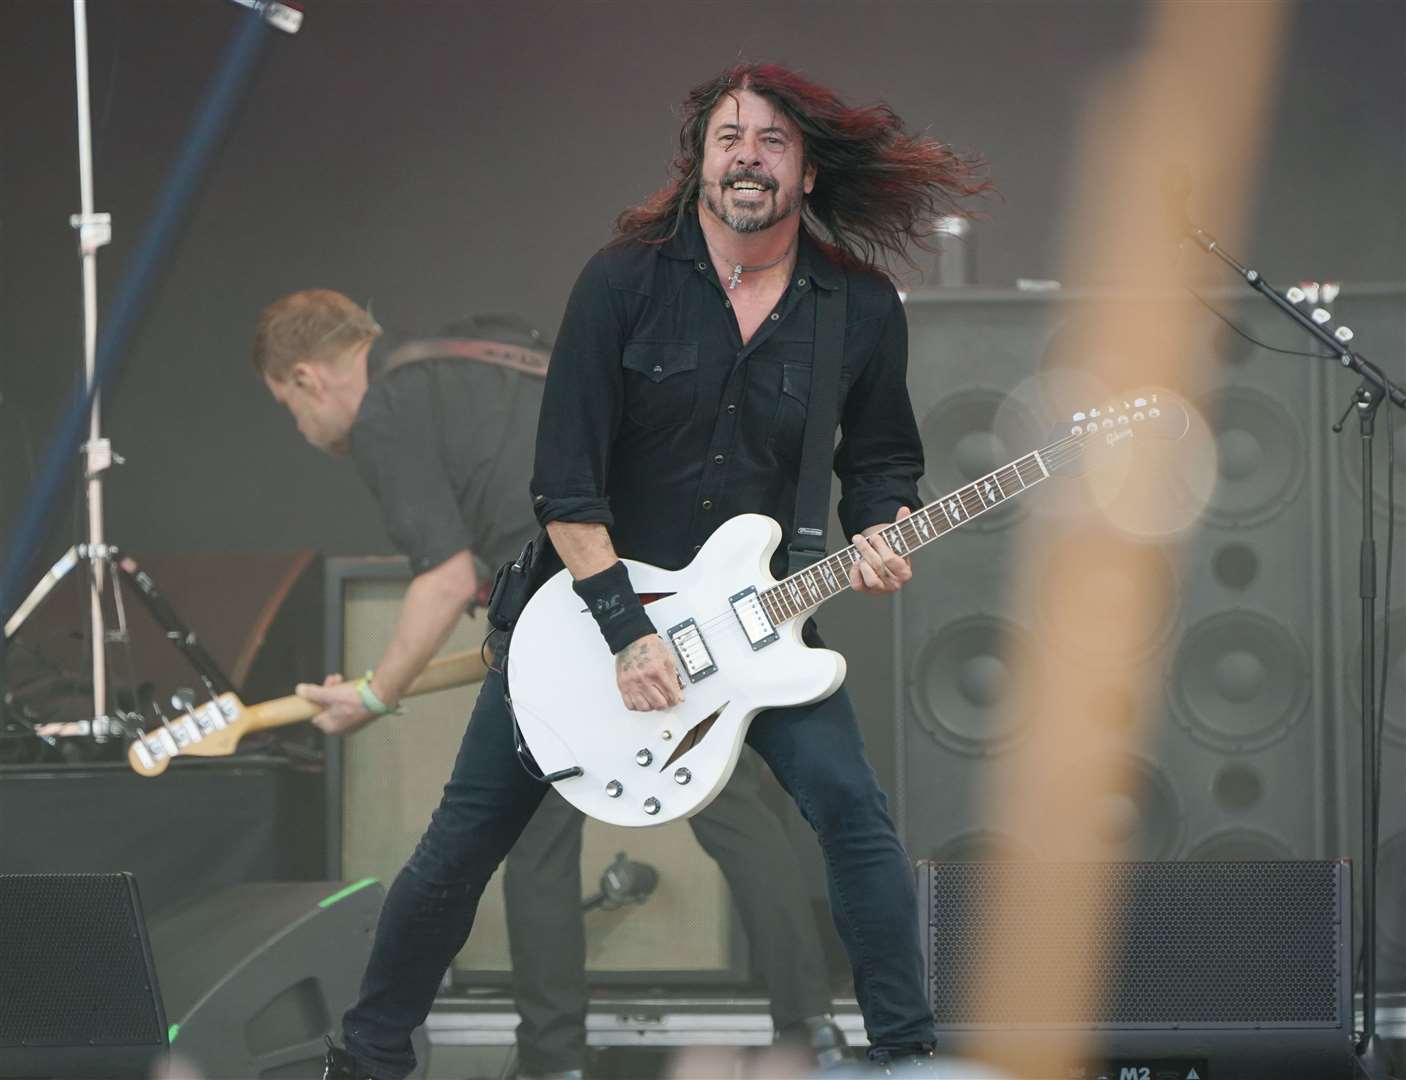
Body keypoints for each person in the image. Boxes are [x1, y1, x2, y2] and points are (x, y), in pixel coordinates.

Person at [320, 60, 987, 1079]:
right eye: (729, 139)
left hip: (759, 628)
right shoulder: (622, 282)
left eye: (771, 141)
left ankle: (906, 1057)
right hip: (584, 622)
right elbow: (564, 485)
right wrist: (626, 631)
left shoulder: (854, 306)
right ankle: (365, 1059)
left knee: (852, 817)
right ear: (699, 162)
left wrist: (881, 524)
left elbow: (882, 459)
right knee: (462, 844)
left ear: (807, 170)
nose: (747, 158)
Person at [246, 291, 845, 1080]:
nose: (302, 426)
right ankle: (812, 1034)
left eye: (288, 407)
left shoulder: (388, 412)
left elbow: (444, 576)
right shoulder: (478, 361)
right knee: (734, 809)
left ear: (307, 377)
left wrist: (375, 694)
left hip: (573, 617)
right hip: (667, 591)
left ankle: (549, 1060)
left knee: (533, 845)